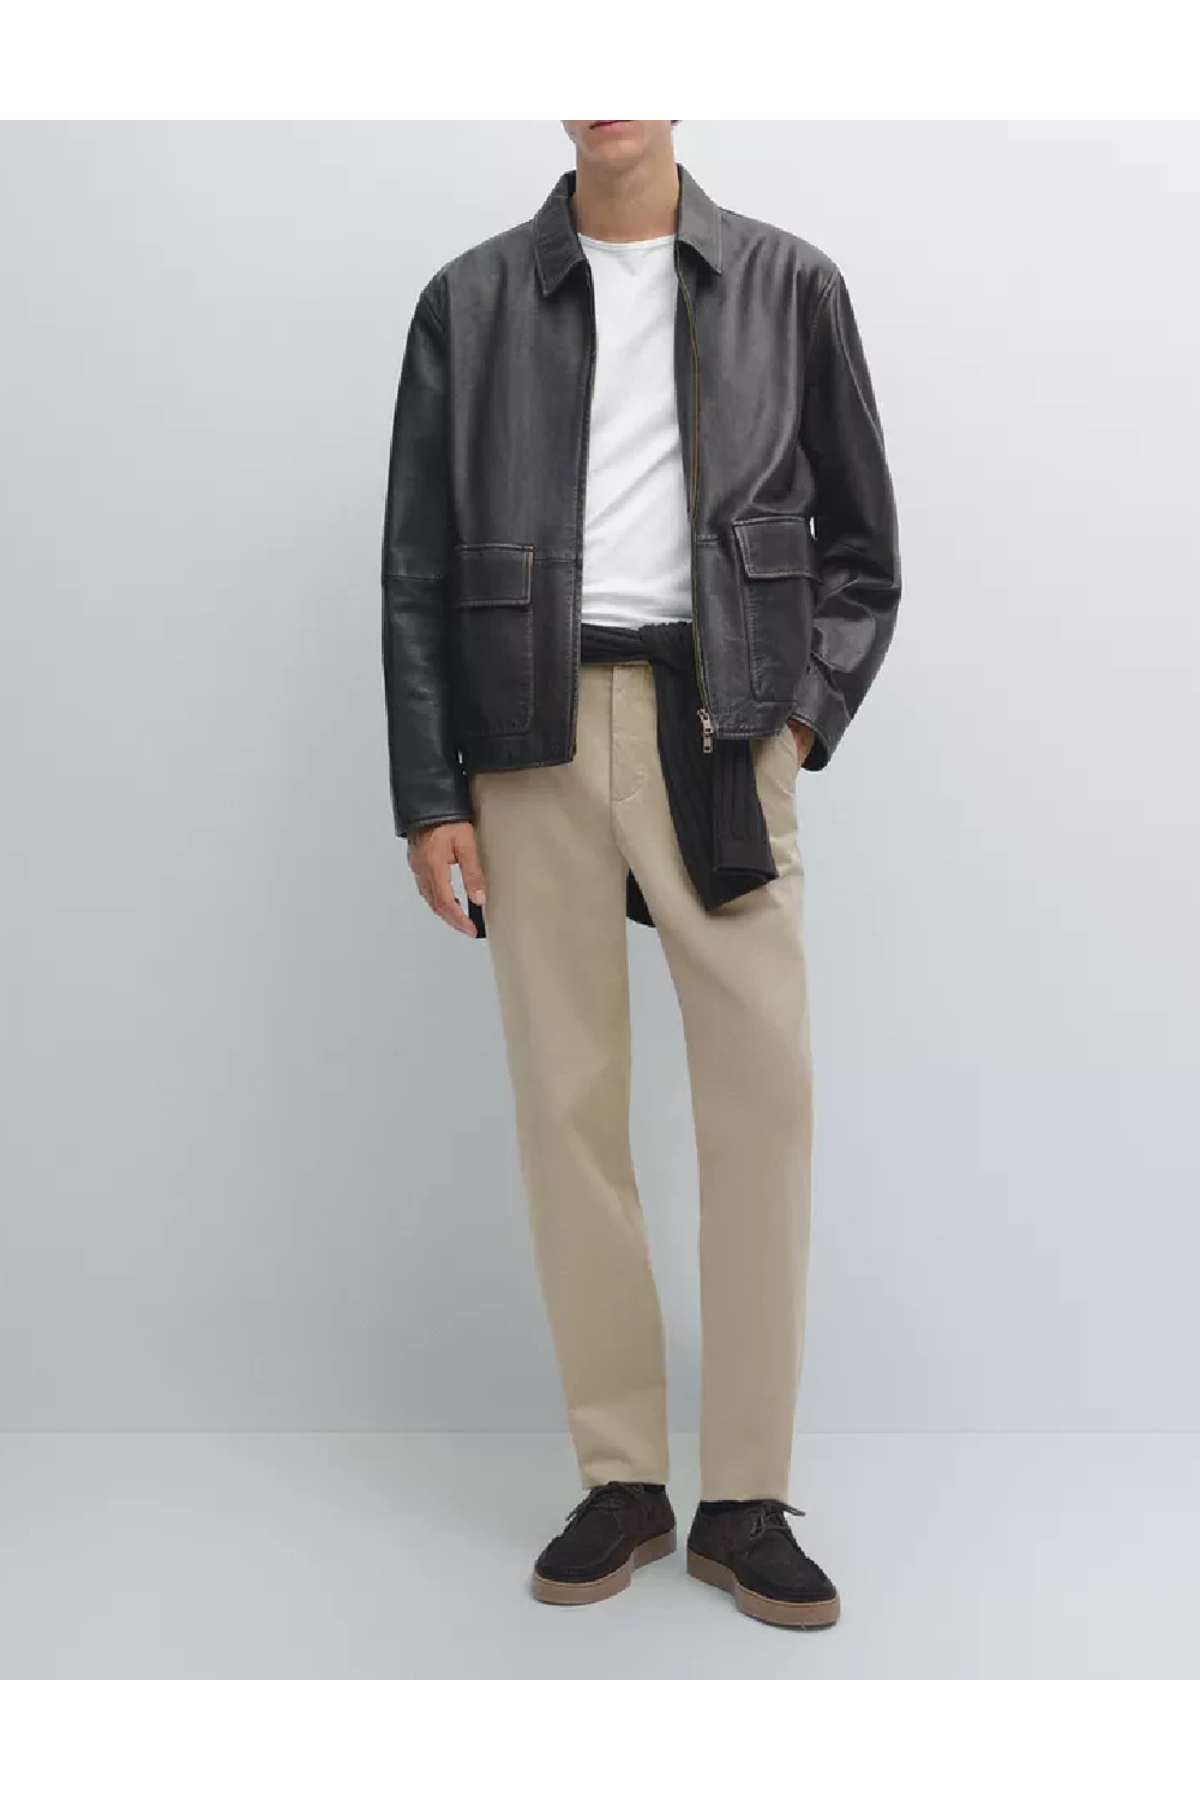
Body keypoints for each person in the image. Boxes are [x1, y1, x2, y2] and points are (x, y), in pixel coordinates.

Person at [380, 120, 901, 1629]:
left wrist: (799, 718)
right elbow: (416, 567)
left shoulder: (789, 286)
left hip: (721, 729)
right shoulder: (469, 301)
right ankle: (622, 1477)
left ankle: (746, 1496)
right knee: (568, 1109)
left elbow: (864, 551)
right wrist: (432, 793)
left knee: (762, 1104)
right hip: (527, 736)